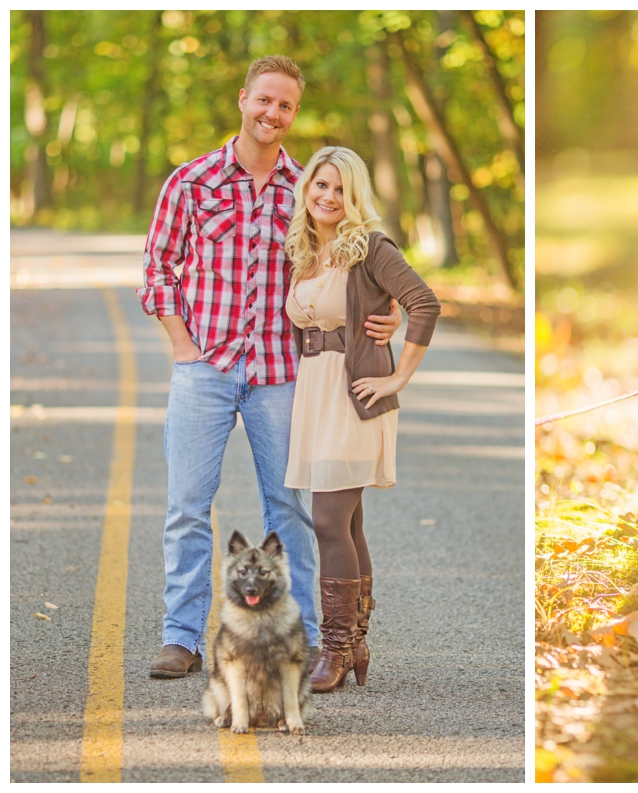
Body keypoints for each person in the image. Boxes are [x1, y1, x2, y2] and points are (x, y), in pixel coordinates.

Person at [138, 55, 401, 678]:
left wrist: (386, 313)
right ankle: (182, 637)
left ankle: (308, 638)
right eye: (264, 100)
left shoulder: (305, 188)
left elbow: (355, 258)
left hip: (283, 374)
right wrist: (182, 344)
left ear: (294, 114)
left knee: (289, 510)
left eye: (285, 105)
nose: (272, 113)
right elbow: (157, 270)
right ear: (243, 99)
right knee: (186, 506)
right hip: (205, 368)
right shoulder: (192, 182)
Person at [283, 146, 440, 692]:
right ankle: (356, 642)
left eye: (340, 189)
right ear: (307, 189)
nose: (328, 197)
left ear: (355, 197)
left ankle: (335, 648)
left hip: (355, 396)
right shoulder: (302, 251)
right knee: (347, 521)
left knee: (328, 521)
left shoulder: (370, 247)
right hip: (314, 395)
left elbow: (424, 302)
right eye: (320, 185)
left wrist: (399, 378)